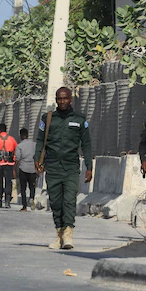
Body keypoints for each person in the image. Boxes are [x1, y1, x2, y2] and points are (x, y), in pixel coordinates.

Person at [34, 87, 93, 250]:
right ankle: (59, 233)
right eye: (59, 99)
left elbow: (86, 144)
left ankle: (68, 234)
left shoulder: (80, 119)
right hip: (52, 167)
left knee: (69, 200)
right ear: (56, 100)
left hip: (71, 167)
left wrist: (89, 166)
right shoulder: (47, 118)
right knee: (55, 202)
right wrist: (36, 158)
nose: (62, 102)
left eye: (65, 98)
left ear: (71, 99)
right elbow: (40, 140)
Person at [0, 123, 18, 208]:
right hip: (10, 163)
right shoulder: (12, 139)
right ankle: (7, 200)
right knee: (8, 182)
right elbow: (15, 151)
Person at [14, 127, 38, 212]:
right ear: (27, 135)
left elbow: (17, 158)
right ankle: (31, 198)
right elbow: (38, 156)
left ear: (20, 136)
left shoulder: (19, 146)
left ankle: (24, 206)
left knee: (23, 188)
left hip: (23, 168)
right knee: (32, 186)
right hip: (32, 168)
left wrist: (14, 169)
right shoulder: (34, 144)